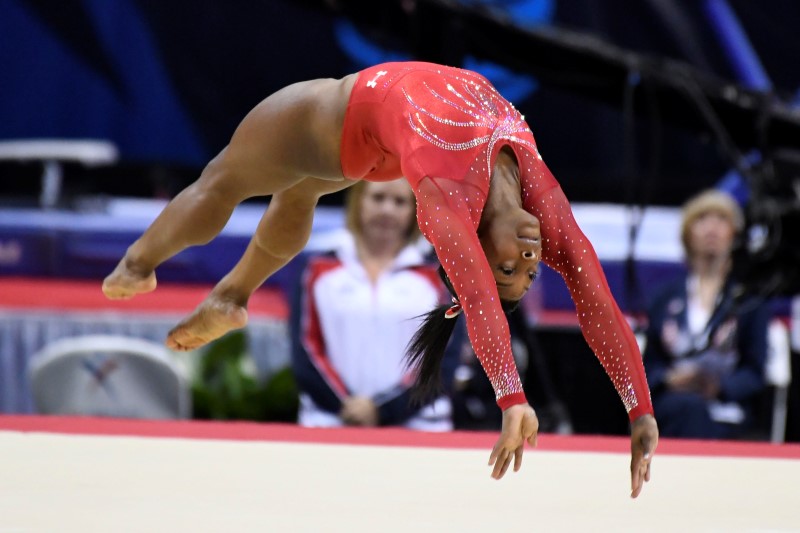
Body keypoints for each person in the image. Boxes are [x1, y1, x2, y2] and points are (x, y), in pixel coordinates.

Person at [102, 61, 658, 496]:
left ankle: (137, 264)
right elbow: (596, 300)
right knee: (298, 191)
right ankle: (231, 294)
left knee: (223, 179)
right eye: (528, 272)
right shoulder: (542, 202)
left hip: (343, 121)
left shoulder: (448, 200)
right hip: (389, 142)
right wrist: (639, 410)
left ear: (478, 242)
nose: (532, 259)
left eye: (509, 268)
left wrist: (511, 400)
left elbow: (482, 302)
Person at [290, 179, 460, 431]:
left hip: (418, 427)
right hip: (329, 423)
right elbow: (306, 350)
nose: (387, 210)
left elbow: (443, 359)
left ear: (415, 210)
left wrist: (383, 410)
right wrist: (346, 407)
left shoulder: (440, 276)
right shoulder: (318, 268)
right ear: (358, 200)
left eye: (400, 201)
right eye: (378, 197)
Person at [643, 189, 770, 439]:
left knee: (695, 412)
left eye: (722, 220)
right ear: (687, 233)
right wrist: (670, 379)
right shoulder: (664, 296)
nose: (712, 228)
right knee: (685, 409)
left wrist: (717, 387)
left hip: (727, 409)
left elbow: (756, 371)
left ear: (735, 234)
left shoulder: (750, 299)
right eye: (702, 220)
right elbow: (650, 365)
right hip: (674, 404)